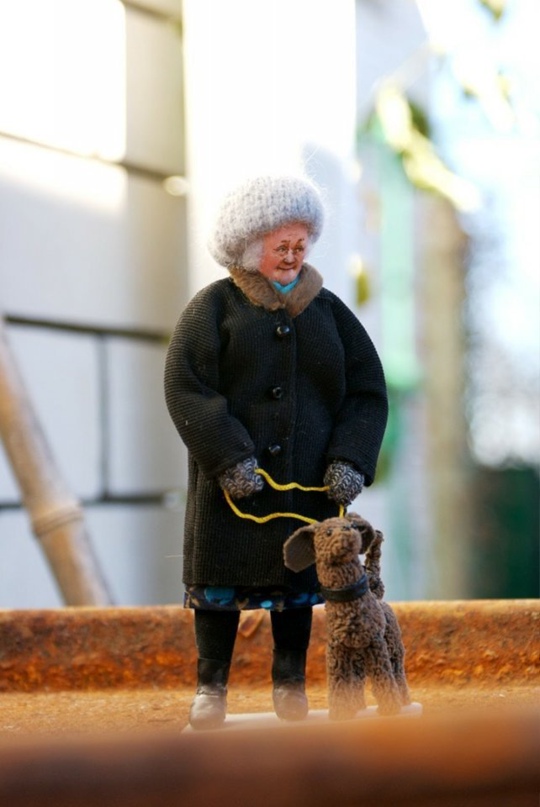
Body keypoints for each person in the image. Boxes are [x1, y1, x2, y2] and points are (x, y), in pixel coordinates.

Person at [164, 175, 388, 730]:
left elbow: (367, 391)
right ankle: (209, 688)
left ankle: (290, 684)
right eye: (279, 245)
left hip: (307, 483)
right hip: (232, 492)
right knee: (217, 589)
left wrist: (350, 459)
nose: (292, 255)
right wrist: (229, 457)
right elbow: (186, 385)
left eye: (300, 244)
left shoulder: (330, 312)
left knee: (296, 589)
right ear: (247, 246)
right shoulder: (214, 308)